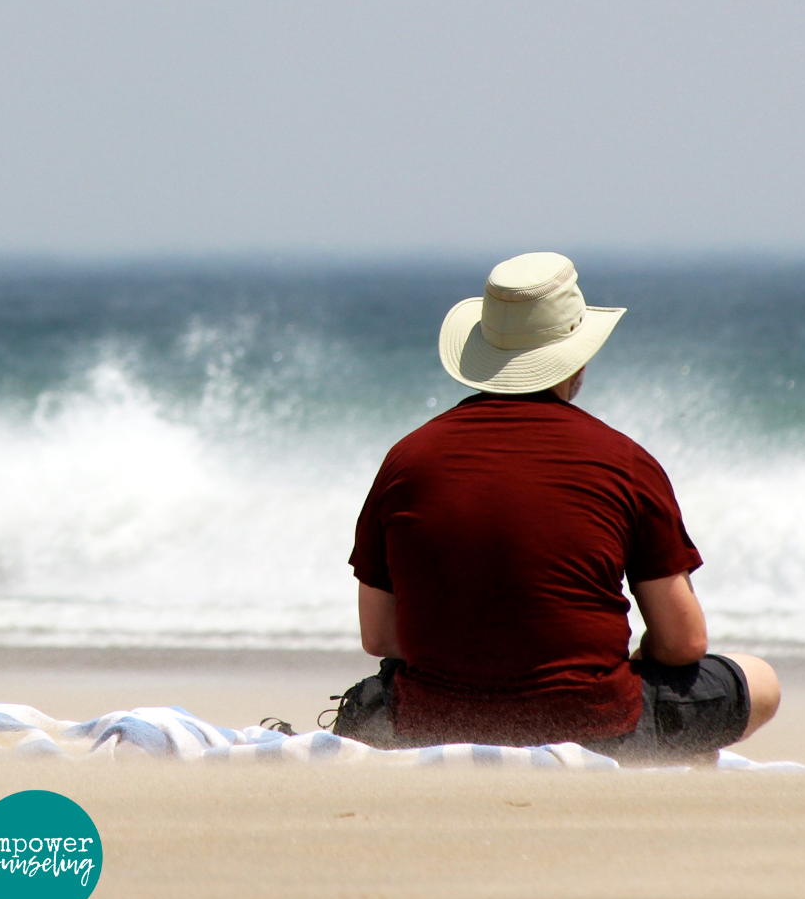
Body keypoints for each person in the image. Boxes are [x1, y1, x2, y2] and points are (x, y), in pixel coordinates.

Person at [334, 252, 779, 763]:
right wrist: (635, 662)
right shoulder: (625, 461)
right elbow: (683, 642)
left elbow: (380, 636)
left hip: (432, 726)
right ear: (578, 359)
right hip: (600, 728)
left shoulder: (406, 460)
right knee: (761, 681)